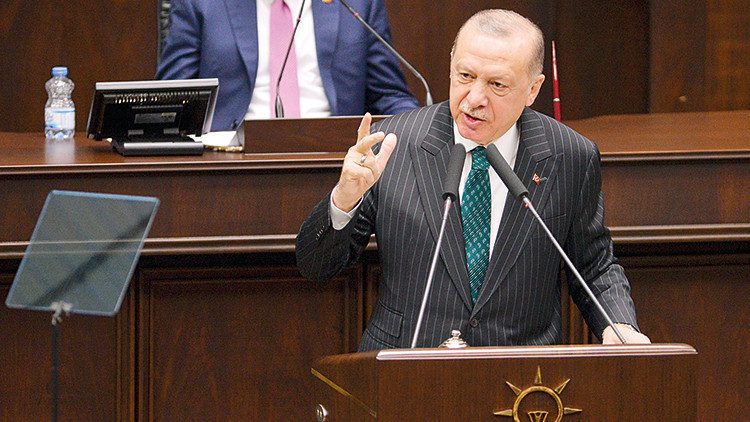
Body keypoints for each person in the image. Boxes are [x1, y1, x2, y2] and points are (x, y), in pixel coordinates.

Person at [296, 9, 651, 350]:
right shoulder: (393, 144)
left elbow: (593, 265)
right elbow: (316, 266)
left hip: (521, 373)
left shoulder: (569, 156)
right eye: (465, 76)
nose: (475, 98)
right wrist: (344, 200)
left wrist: (619, 325)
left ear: (533, 89)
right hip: (408, 364)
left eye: (497, 84)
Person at [156, 0, 419, 131]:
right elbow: (170, 103)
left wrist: (425, 130)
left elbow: (389, 96)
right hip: (229, 169)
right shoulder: (200, 3)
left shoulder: (356, 4)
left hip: (337, 165)